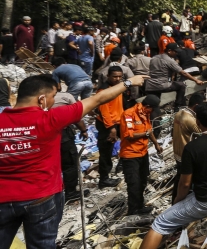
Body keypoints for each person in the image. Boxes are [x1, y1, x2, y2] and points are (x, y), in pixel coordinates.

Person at [0, 72, 147, 248]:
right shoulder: (51, 118)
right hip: (41, 198)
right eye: (53, 96)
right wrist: (130, 82)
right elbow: (98, 99)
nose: (54, 101)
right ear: (41, 99)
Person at [140, 102, 207, 249]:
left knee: (159, 224)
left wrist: (178, 200)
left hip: (206, 200)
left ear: (197, 121)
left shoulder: (192, 148)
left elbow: (185, 184)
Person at [120, 94, 163, 215]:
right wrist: (145, 133)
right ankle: (133, 210)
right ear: (147, 106)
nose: (153, 112)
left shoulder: (146, 114)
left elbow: (149, 131)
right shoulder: (129, 114)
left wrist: (156, 144)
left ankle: (140, 205)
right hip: (130, 155)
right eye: (152, 109)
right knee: (134, 183)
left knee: (143, 180)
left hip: (143, 153)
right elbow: (129, 136)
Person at [94, 66, 129, 188]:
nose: (117, 79)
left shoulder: (118, 87)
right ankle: (104, 179)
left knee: (127, 141)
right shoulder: (103, 91)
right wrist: (111, 128)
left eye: (120, 76)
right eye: (115, 76)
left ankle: (122, 164)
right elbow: (104, 111)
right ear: (108, 76)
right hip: (107, 124)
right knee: (106, 152)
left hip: (118, 121)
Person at [52, 91, 90, 202]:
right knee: (69, 164)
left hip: (44, 136)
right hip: (63, 136)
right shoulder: (64, 97)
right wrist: (84, 130)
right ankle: (71, 193)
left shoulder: (33, 99)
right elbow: (76, 116)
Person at [145, 42, 204, 111]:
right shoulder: (169, 60)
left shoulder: (154, 58)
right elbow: (183, 73)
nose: (177, 53)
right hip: (162, 85)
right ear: (169, 51)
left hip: (150, 85)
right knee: (182, 85)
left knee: (154, 106)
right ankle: (177, 106)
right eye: (175, 51)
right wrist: (196, 80)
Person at [171, 92, 203, 202]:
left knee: (179, 179)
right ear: (196, 106)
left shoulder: (179, 113)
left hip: (178, 153)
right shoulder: (190, 120)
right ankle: (181, 203)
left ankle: (174, 201)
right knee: (187, 183)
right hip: (186, 155)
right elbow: (203, 134)